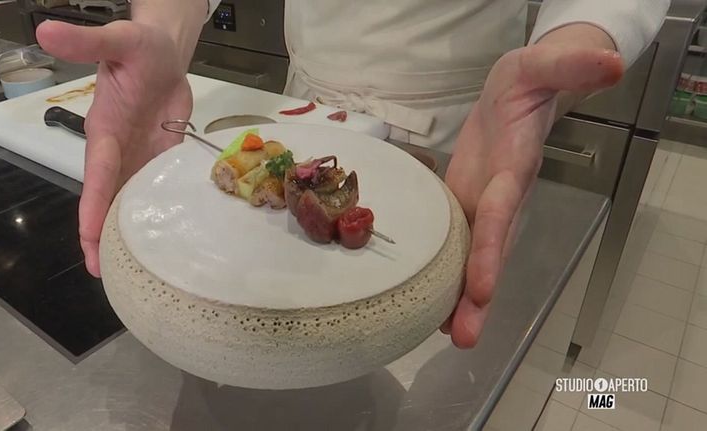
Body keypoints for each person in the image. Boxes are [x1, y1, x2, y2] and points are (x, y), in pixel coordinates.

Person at [35, 0, 670, 348]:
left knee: (417, 342)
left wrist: (565, 52)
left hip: (466, 135)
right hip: (308, 107)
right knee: (269, 334)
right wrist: (161, 34)